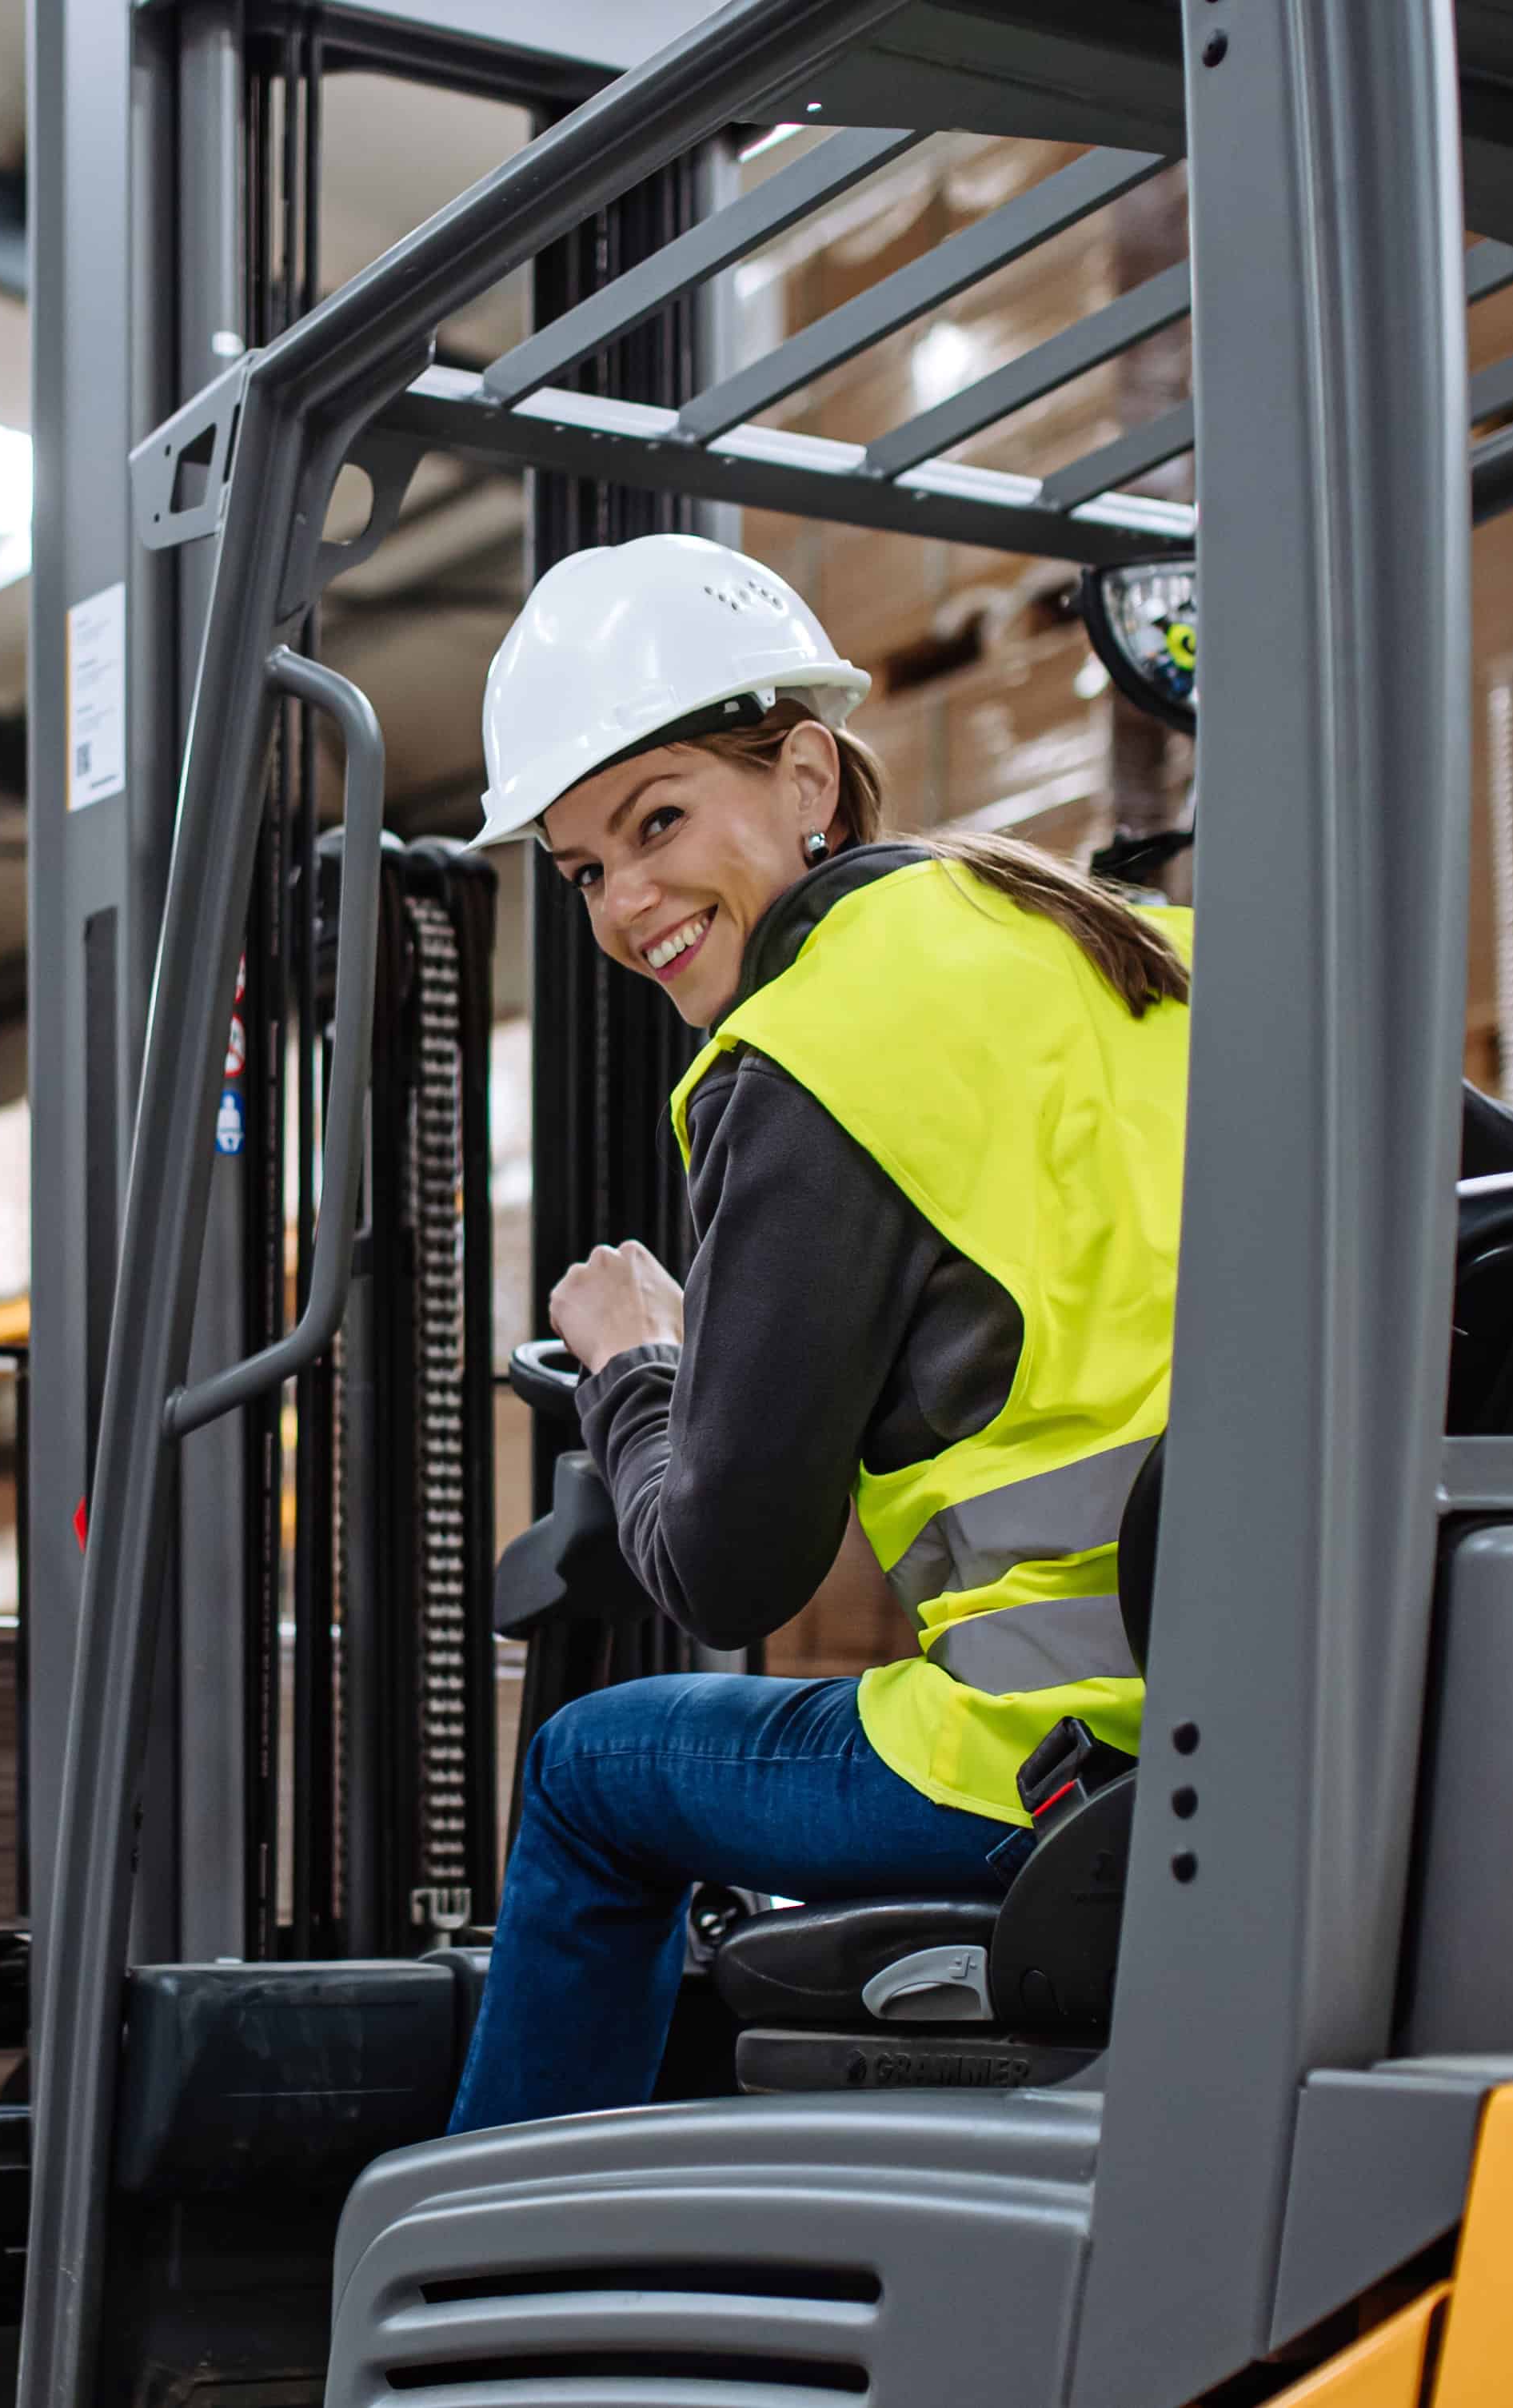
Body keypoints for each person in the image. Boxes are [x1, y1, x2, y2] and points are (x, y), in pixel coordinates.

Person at [442, 530, 1199, 2133]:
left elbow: (728, 1570)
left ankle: (495, 2297)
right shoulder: (1127, 948)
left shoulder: (805, 1053)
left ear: (804, 776)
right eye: (582, 869)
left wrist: (635, 1369)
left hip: (1054, 1754)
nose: (625, 900)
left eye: (657, 823)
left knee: (587, 1773)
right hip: (1283, 1705)